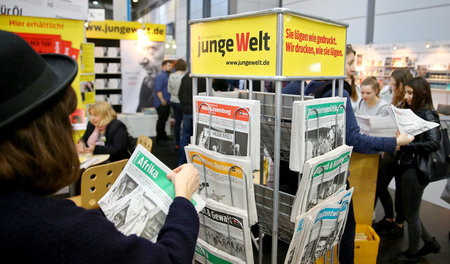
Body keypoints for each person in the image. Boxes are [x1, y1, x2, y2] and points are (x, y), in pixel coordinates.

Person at [0, 30, 200, 263]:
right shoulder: (63, 230)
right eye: (66, 118)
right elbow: (169, 259)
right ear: (45, 132)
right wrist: (183, 198)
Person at [286, 44, 414, 264]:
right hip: (330, 176)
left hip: (294, 175)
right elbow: (354, 139)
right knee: (346, 229)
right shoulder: (338, 92)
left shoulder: (290, 88)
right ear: (333, 60)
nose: (354, 68)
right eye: (350, 62)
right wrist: (394, 142)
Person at [392, 77, 441, 262]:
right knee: (410, 211)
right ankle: (430, 243)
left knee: (411, 215)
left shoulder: (428, 114)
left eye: (411, 93)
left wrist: (406, 144)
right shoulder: (416, 112)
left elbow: (433, 142)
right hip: (409, 166)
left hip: (416, 169)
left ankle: (412, 252)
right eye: (406, 92)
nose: (407, 96)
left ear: (422, 93)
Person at [373, 68, 413, 237]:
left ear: (401, 83)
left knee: (401, 191)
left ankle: (398, 222)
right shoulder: (396, 98)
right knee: (380, 184)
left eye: (393, 82)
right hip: (392, 148)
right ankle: (390, 217)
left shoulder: (409, 99)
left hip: (403, 151)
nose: (390, 84)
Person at [178, 72, 206, 165]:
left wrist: (183, 106)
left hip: (187, 111)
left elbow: (180, 94)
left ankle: (181, 163)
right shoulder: (203, 77)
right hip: (198, 112)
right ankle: (194, 164)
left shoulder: (186, 76)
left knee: (185, 137)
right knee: (199, 139)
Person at [136, 42, 165, 112]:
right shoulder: (146, 82)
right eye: (143, 50)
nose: (142, 61)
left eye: (151, 48)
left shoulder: (163, 77)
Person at [168, 58, 187, 149]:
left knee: (177, 123)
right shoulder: (185, 76)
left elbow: (169, 90)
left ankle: (177, 143)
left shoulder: (171, 76)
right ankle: (185, 143)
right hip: (182, 102)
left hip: (173, 101)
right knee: (185, 124)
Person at [154, 60, 173, 142]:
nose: (170, 67)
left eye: (171, 66)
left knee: (164, 120)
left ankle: (163, 136)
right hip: (162, 103)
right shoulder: (160, 76)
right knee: (161, 120)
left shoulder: (168, 75)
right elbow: (158, 90)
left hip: (167, 101)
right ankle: (159, 138)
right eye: (169, 66)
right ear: (163, 66)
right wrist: (162, 100)